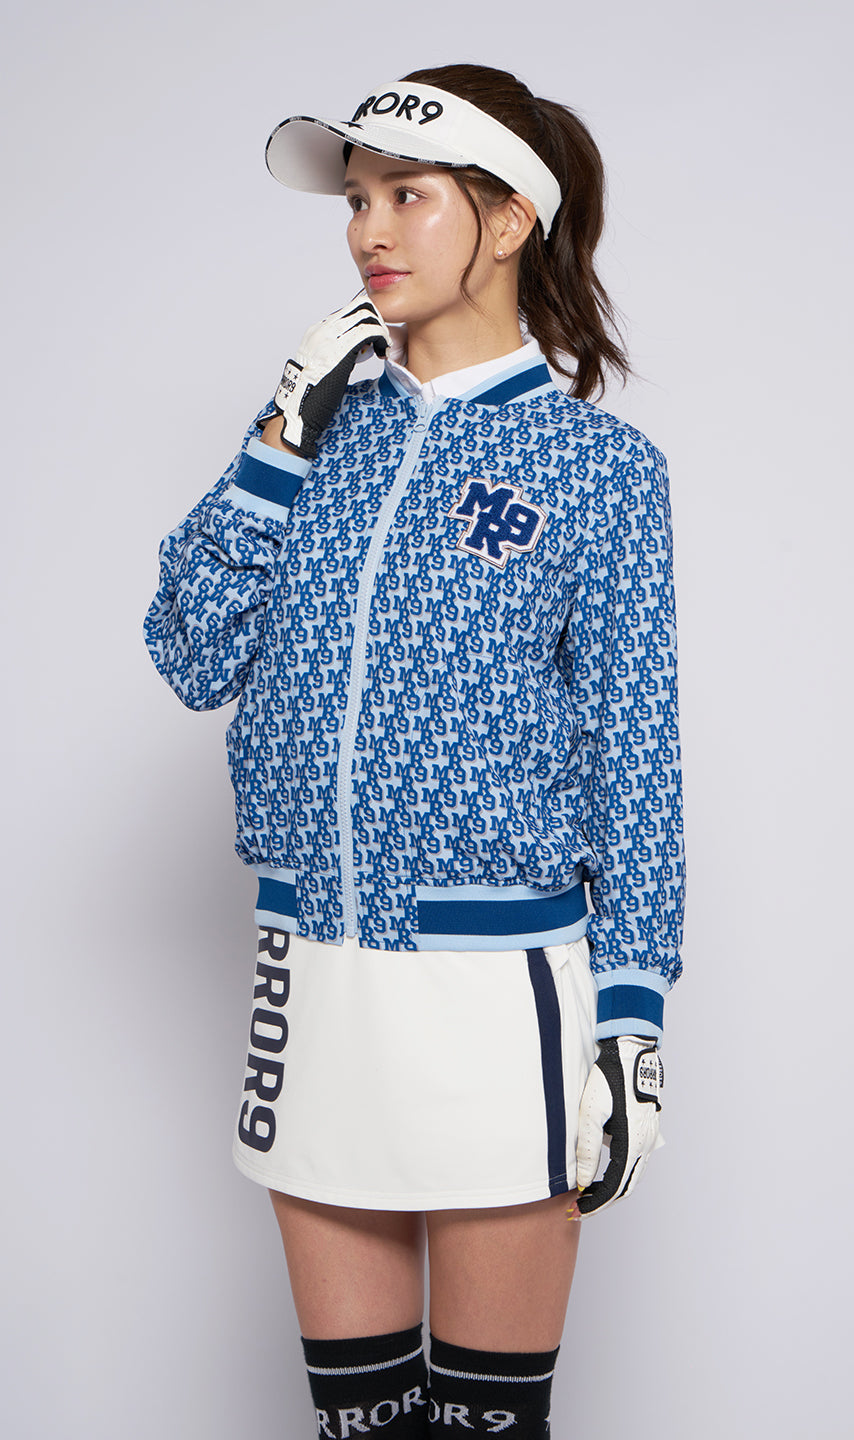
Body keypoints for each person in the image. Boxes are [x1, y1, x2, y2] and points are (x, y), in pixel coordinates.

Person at [145, 63, 684, 1440]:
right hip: (311, 974)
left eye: (408, 195)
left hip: (493, 988)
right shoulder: (308, 435)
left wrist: (631, 1014)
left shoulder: (601, 469)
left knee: (486, 1428)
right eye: (356, 200)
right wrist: (280, 439)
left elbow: (636, 753)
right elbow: (190, 652)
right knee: (358, 1425)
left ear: (507, 220)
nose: (367, 231)